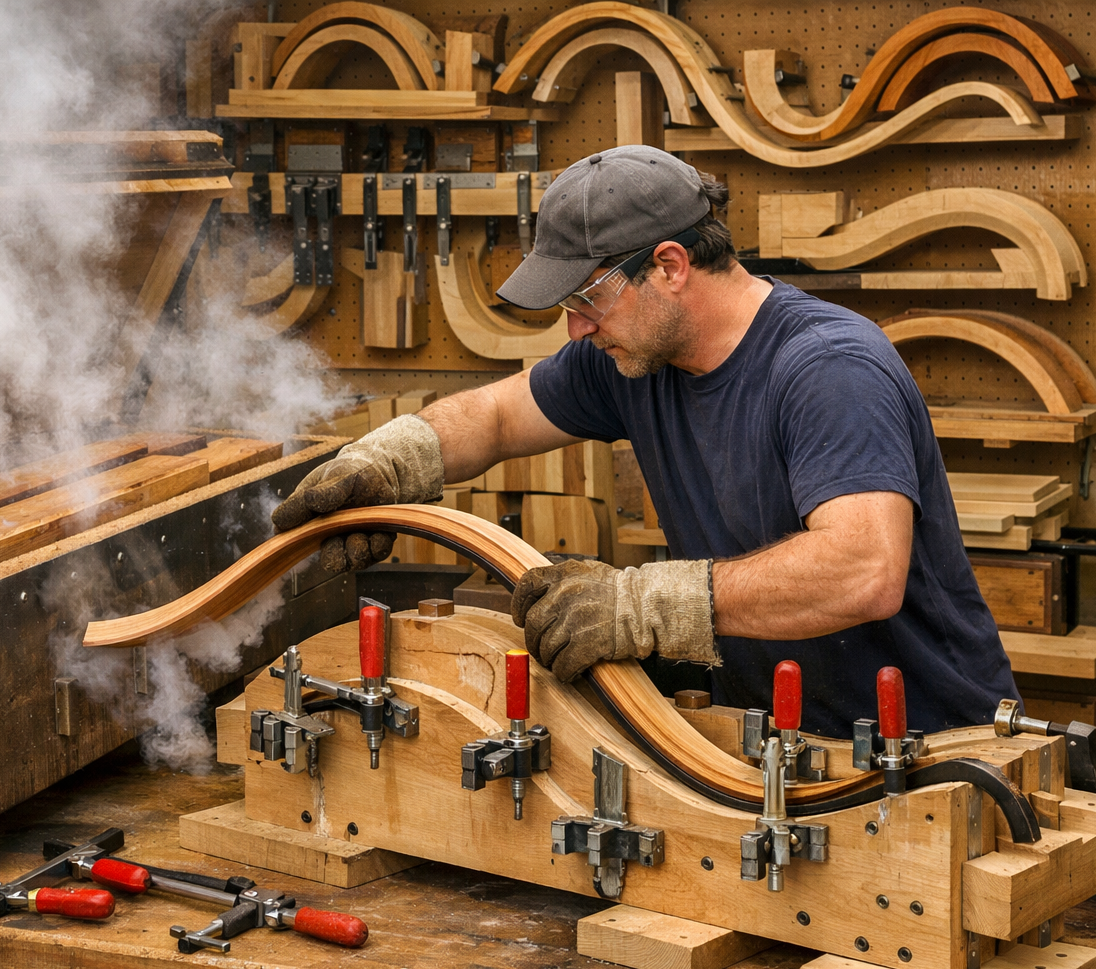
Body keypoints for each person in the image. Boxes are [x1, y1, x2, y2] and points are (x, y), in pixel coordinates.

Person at [271, 145, 1016, 736]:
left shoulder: (827, 368)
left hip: (935, 748)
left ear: (668, 265)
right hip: (780, 742)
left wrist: (639, 607)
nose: (576, 329)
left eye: (587, 297)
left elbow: (863, 570)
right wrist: (388, 461)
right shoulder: (634, 361)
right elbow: (495, 417)